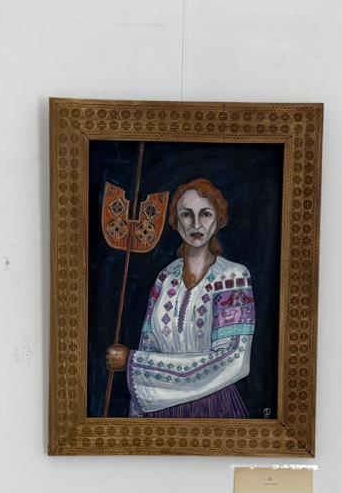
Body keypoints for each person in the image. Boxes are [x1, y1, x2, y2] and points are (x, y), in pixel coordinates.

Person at [107, 178, 254, 418]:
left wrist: (133, 362)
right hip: (159, 410)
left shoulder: (233, 277)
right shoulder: (165, 278)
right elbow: (149, 346)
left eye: (205, 214)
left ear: (218, 219)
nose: (196, 224)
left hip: (212, 408)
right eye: (186, 214)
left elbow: (234, 360)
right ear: (176, 221)